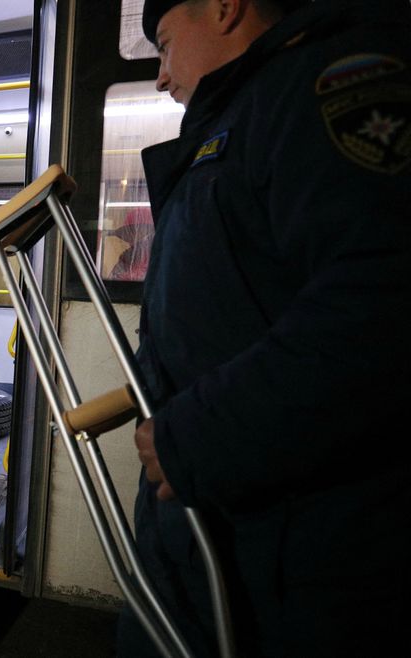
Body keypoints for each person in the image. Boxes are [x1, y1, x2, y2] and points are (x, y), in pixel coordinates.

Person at [117, 0, 411, 656]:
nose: (161, 75)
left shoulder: (327, 87)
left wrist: (197, 434)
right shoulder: (239, 118)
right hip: (217, 526)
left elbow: (380, 304)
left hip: (295, 551)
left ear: (224, 8)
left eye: (164, 45)